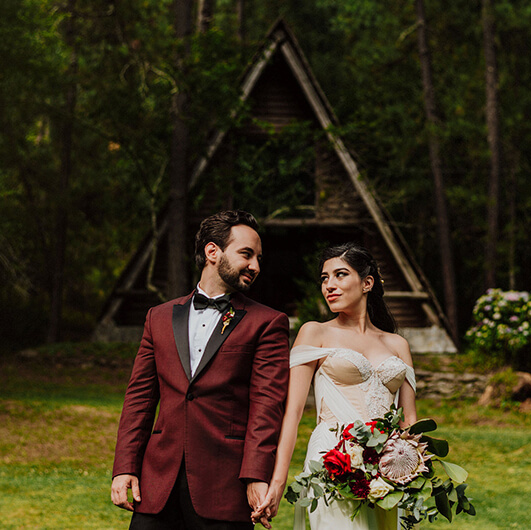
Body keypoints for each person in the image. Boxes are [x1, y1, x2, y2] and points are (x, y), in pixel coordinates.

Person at [111, 210, 290, 530]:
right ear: (212, 252)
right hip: (156, 486)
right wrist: (125, 467)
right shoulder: (158, 317)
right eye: (246, 254)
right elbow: (139, 397)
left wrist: (255, 475)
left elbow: (267, 407)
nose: (256, 266)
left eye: (258, 258)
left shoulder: (267, 323)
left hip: (224, 487)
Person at [252, 243, 417, 530]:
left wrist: (412, 478)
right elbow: (291, 414)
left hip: (385, 470)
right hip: (332, 459)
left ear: (367, 283)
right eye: (325, 278)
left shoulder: (398, 344)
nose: (330, 285)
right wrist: (277, 482)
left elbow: (410, 421)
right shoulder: (315, 332)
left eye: (340, 275)